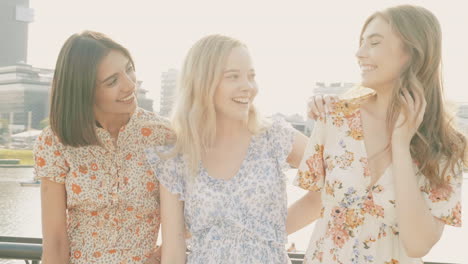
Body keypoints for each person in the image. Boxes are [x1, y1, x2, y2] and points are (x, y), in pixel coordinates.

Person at [287, 5, 466, 264]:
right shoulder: (335, 117)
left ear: (413, 51)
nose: (359, 53)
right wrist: (251, 237)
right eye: (361, 43)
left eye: (374, 42)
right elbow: (317, 201)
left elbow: (417, 245)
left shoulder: (448, 146)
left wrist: (401, 145)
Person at [145, 34, 308, 264]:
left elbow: (338, 180)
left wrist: (270, 232)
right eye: (233, 77)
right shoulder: (177, 158)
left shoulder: (274, 136)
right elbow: (173, 250)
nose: (248, 87)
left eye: (251, 76)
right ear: (202, 84)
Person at [33, 31, 171, 264]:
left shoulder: (163, 135)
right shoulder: (54, 142)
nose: (129, 85)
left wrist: (159, 257)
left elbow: (192, 220)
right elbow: (55, 241)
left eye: (128, 69)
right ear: (84, 90)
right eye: (112, 81)